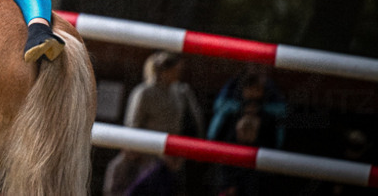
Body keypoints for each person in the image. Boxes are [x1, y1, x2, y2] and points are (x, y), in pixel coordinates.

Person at [105, 52, 203, 196]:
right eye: (175, 70)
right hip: (146, 156)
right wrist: (134, 148)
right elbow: (133, 123)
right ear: (164, 71)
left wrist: (179, 152)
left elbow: (191, 122)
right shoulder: (145, 92)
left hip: (171, 157)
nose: (178, 73)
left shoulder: (181, 93)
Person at [208, 65, 287, 195]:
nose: (252, 94)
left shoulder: (269, 115)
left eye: (257, 89)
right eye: (250, 89)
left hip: (257, 168)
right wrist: (229, 183)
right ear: (243, 89)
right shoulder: (231, 112)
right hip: (231, 165)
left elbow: (273, 142)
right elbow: (221, 140)